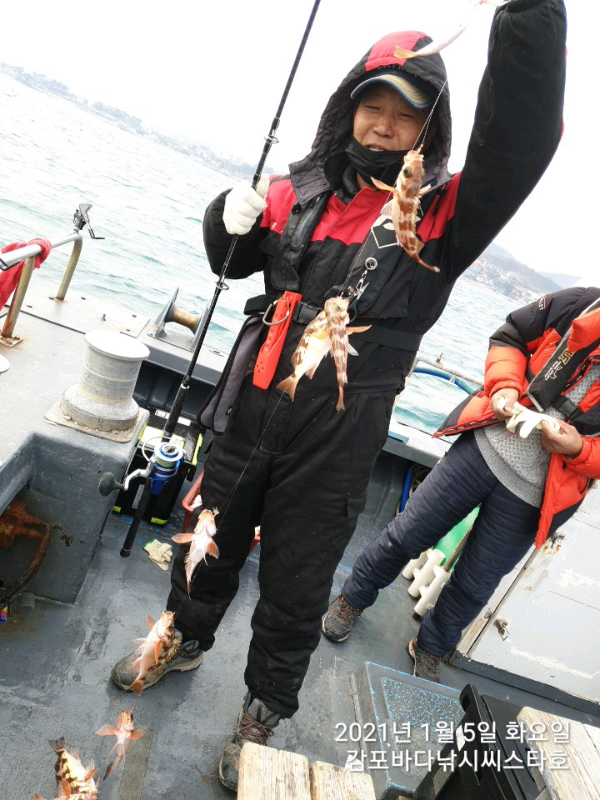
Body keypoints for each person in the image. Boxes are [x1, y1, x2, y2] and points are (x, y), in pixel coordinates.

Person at [111, 2, 566, 792]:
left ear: (430, 130)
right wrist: (225, 219)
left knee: (298, 578)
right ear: (348, 107)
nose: (384, 125)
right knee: (204, 537)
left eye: (406, 114)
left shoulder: (446, 216)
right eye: (372, 104)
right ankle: (181, 636)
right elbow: (235, 262)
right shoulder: (300, 186)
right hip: (251, 406)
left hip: (340, 430)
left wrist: (528, 16)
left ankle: (262, 712)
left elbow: (520, 135)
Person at [323, 286, 600, 683]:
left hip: (535, 495)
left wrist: (579, 449)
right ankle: (352, 598)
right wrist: (504, 386)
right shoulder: (578, 304)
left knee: (475, 585)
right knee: (406, 535)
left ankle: (432, 647)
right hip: (481, 449)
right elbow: (511, 337)